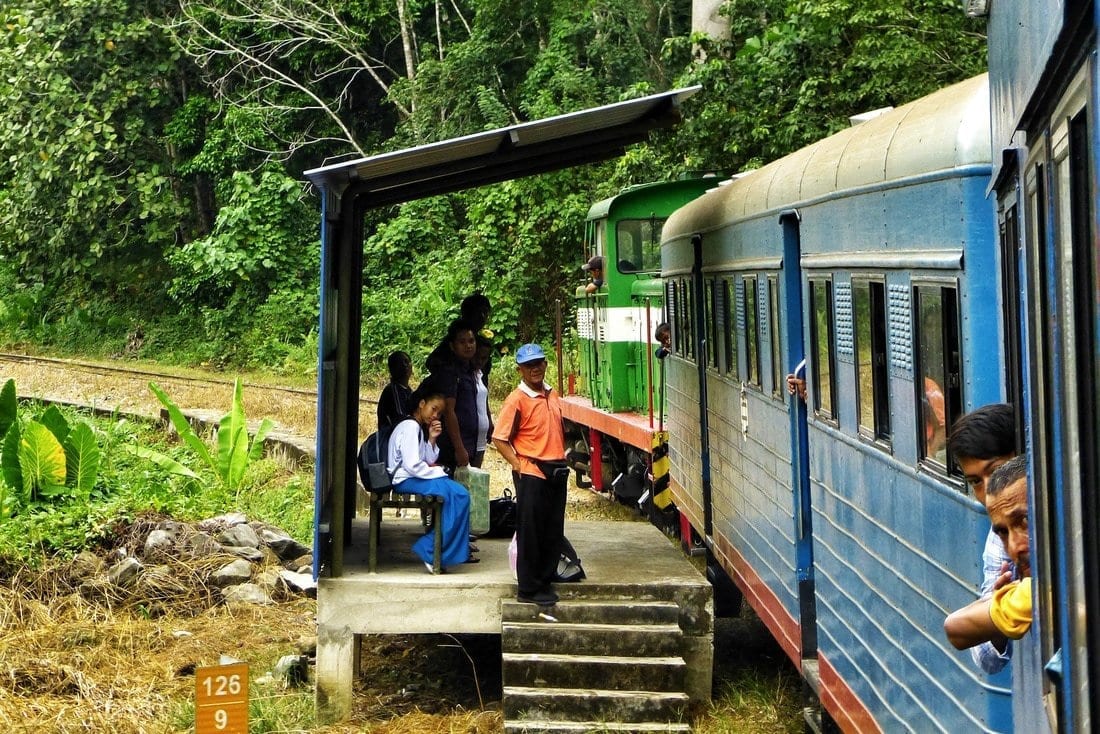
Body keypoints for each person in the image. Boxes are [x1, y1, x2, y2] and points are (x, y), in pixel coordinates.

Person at [493, 343, 569, 606]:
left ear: (545, 364)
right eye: (528, 365)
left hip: (556, 468)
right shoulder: (516, 399)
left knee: (552, 528)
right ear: (520, 370)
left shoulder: (552, 394)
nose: (535, 369)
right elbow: (500, 438)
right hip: (532, 468)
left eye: (538, 363)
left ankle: (545, 579)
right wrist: (518, 464)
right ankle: (529, 587)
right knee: (531, 530)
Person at [946, 403, 1017, 672]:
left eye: (998, 470)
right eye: (976, 481)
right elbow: (986, 660)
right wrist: (997, 615)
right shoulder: (999, 537)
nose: (989, 491)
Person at [944, 455, 1032, 649]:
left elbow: (956, 627)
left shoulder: (1034, 595)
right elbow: (955, 628)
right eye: (1003, 533)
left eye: (1025, 521)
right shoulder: (1030, 593)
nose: (1014, 547)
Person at [387, 384, 474, 572]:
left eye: (439, 413)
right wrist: (439, 472)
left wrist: (432, 438)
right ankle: (429, 549)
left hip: (415, 476)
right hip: (406, 479)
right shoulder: (410, 426)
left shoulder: (416, 427)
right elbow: (412, 465)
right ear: (421, 404)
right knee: (460, 495)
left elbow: (426, 458)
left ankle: (436, 550)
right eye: (433, 409)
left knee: (460, 495)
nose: (435, 416)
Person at [429, 319, 481, 471]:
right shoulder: (450, 372)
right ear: (452, 346)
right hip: (452, 448)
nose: (468, 346)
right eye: (462, 342)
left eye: (471, 341)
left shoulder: (470, 371)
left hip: (470, 443)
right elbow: (448, 411)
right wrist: (459, 448)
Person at [377, 350, 414, 433]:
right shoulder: (392, 391)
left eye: (407, 362)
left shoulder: (408, 391)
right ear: (392, 369)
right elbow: (401, 418)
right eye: (400, 363)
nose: (405, 366)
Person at [472, 331, 494, 466]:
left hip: (480, 438)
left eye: (484, 358)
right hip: (469, 439)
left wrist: (489, 420)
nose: (481, 361)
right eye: (478, 357)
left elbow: (483, 400)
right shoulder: (464, 376)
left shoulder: (481, 375)